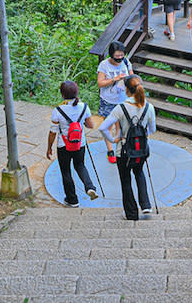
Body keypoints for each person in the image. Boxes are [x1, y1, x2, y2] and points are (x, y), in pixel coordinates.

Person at [98, 75, 157, 220]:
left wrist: (114, 139)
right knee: (139, 172)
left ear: (126, 90)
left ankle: (131, 213)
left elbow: (103, 128)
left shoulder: (121, 108)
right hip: (142, 150)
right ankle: (146, 205)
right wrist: (141, 135)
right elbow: (152, 129)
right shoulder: (149, 107)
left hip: (123, 150)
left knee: (125, 180)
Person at [46, 80, 98, 207]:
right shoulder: (84, 107)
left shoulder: (58, 110)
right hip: (80, 144)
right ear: (77, 92)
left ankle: (72, 199)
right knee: (80, 165)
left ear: (63, 95)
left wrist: (49, 148)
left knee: (66, 171)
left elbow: (53, 132)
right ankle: (90, 187)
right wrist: (81, 122)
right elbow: (91, 125)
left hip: (63, 146)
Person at [97, 41, 133, 163]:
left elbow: (132, 78)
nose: (119, 58)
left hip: (123, 100)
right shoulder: (104, 65)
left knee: (121, 125)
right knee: (108, 126)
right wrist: (115, 79)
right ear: (111, 54)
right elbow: (100, 83)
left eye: (121, 55)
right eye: (117, 56)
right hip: (108, 100)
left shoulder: (126, 62)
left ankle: (120, 148)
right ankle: (110, 150)